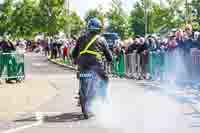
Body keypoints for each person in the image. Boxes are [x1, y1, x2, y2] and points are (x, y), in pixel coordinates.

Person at [72, 18, 112, 113]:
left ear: (88, 27)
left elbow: (74, 53)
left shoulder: (81, 38)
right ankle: (103, 96)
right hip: (96, 63)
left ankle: (80, 96)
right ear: (99, 28)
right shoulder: (102, 39)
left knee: (81, 76)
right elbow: (108, 55)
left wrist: (74, 59)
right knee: (105, 79)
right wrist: (110, 60)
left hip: (82, 62)